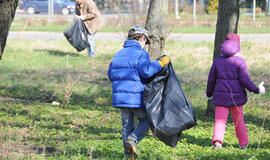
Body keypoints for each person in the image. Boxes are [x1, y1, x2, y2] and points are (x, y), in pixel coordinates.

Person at [107, 25, 170, 159]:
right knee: (146, 120)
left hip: (120, 98)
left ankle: (127, 155)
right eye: (145, 42)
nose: (145, 45)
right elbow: (146, 71)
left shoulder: (118, 54)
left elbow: (110, 74)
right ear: (142, 38)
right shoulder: (141, 54)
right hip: (135, 97)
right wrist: (160, 63)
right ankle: (133, 139)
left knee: (126, 125)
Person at [206, 33, 266, 150]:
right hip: (237, 99)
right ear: (238, 46)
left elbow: (211, 79)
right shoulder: (240, 62)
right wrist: (256, 89)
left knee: (220, 120)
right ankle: (243, 144)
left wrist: (209, 93)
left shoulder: (217, 61)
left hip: (220, 98)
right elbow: (245, 80)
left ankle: (217, 142)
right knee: (239, 121)